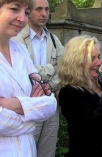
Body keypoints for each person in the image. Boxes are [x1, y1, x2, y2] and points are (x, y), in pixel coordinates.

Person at [0, 0, 57, 157]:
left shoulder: (20, 50)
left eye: (25, 12)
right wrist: (32, 114)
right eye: (14, 9)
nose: (22, 18)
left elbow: (50, 103)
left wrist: (11, 104)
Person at [13, 0, 64, 156]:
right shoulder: (17, 39)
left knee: (47, 153)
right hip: (27, 106)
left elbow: (65, 68)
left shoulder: (54, 40)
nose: (44, 14)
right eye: (39, 9)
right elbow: (25, 73)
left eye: (47, 9)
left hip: (51, 105)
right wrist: (52, 68)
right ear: (28, 11)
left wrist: (42, 78)